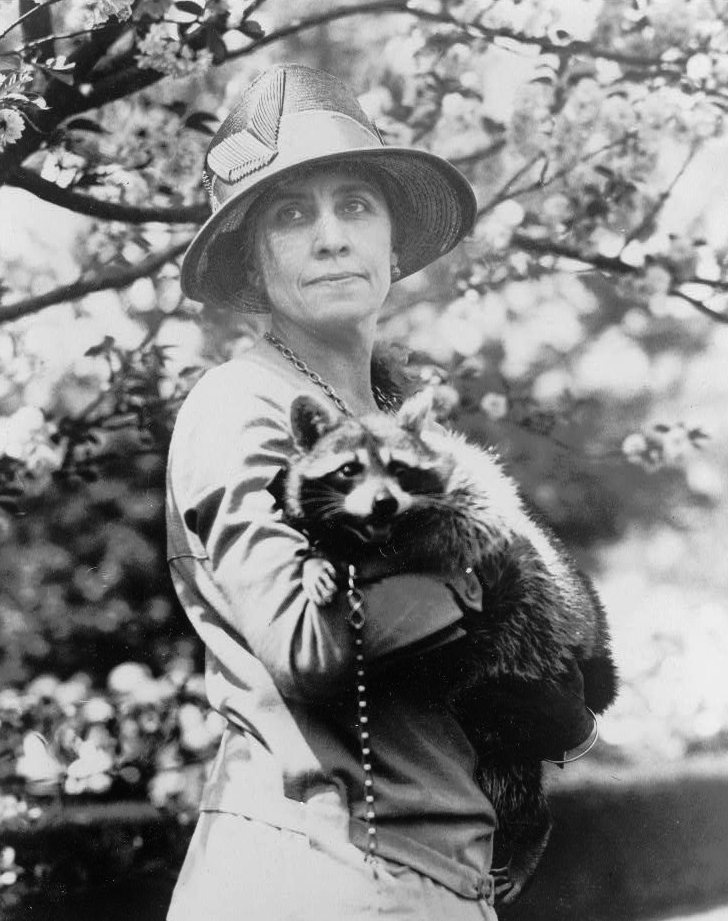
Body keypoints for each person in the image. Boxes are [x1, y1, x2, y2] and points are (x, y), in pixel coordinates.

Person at [165, 63, 592, 921]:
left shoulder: (393, 419)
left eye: (355, 205)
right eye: (292, 215)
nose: (331, 237)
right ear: (253, 266)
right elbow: (306, 641)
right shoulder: (239, 402)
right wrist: (482, 582)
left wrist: (555, 694)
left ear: (393, 243)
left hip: (435, 877)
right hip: (321, 875)